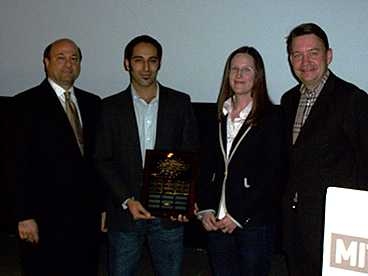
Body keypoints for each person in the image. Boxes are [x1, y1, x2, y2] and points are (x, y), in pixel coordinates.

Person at [94, 35, 199, 276]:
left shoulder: (180, 103)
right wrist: (126, 199)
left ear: (159, 63)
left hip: (168, 214)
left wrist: (183, 200)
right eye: (139, 60)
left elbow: (189, 153)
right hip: (125, 212)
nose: (146, 68)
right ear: (127, 63)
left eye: (152, 60)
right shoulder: (110, 107)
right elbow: (102, 159)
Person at [281, 22, 368, 276]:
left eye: (313, 52)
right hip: (294, 222)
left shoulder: (353, 99)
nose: (304, 61)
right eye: (297, 54)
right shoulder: (289, 99)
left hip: (337, 226)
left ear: (329, 55)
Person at [14, 38, 102, 276]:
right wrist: (23, 215)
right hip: (44, 218)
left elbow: (98, 162)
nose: (68, 64)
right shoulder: (24, 104)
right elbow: (16, 164)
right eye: (61, 57)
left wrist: (103, 207)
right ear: (46, 62)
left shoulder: (93, 103)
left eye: (74, 58)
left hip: (86, 217)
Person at [196, 46, 286, 276]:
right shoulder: (216, 116)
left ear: (258, 76)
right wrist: (205, 208)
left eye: (246, 70)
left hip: (253, 223)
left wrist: (238, 215)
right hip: (216, 221)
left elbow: (273, 175)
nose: (239, 75)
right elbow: (205, 167)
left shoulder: (273, 118)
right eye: (234, 69)